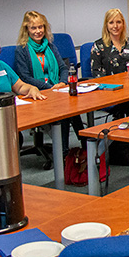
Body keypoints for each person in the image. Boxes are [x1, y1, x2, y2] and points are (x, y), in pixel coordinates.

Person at [15, 11, 84, 158]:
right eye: (34, 28)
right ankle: (64, 152)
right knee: (66, 111)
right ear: (26, 29)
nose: (38, 31)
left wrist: (62, 83)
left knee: (74, 106)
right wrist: (50, 88)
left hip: (56, 90)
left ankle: (85, 144)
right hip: (36, 95)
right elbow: (24, 77)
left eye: (41, 27)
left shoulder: (50, 47)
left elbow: (64, 68)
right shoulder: (22, 50)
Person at [90, 9, 129, 118]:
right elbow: (96, 74)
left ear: (123, 24)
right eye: (111, 22)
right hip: (111, 90)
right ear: (106, 25)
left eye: (118, 22)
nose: (115, 26)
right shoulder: (98, 46)